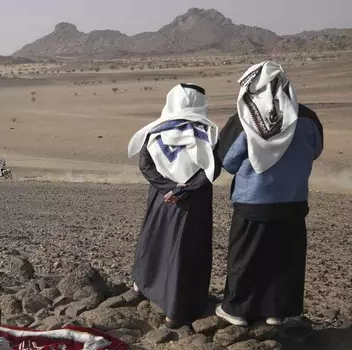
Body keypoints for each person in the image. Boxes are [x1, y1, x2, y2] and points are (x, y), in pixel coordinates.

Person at [215, 61, 323, 327]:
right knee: (286, 257)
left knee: (246, 255)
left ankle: (238, 310)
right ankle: (278, 311)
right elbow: (316, 149)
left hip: (253, 201)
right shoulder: (307, 117)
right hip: (294, 200)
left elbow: (227, 160)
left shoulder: (244, 119)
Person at [127, 83, 221, 329]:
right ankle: (178, 309)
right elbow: (213, 169)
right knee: (186, 252)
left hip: (162, 198)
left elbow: (146, 165)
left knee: (155, 241)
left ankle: (144, 286)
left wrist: (168, 189)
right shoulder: (209, 134)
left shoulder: (155, 131)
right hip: (194, 201)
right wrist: (184, 190)